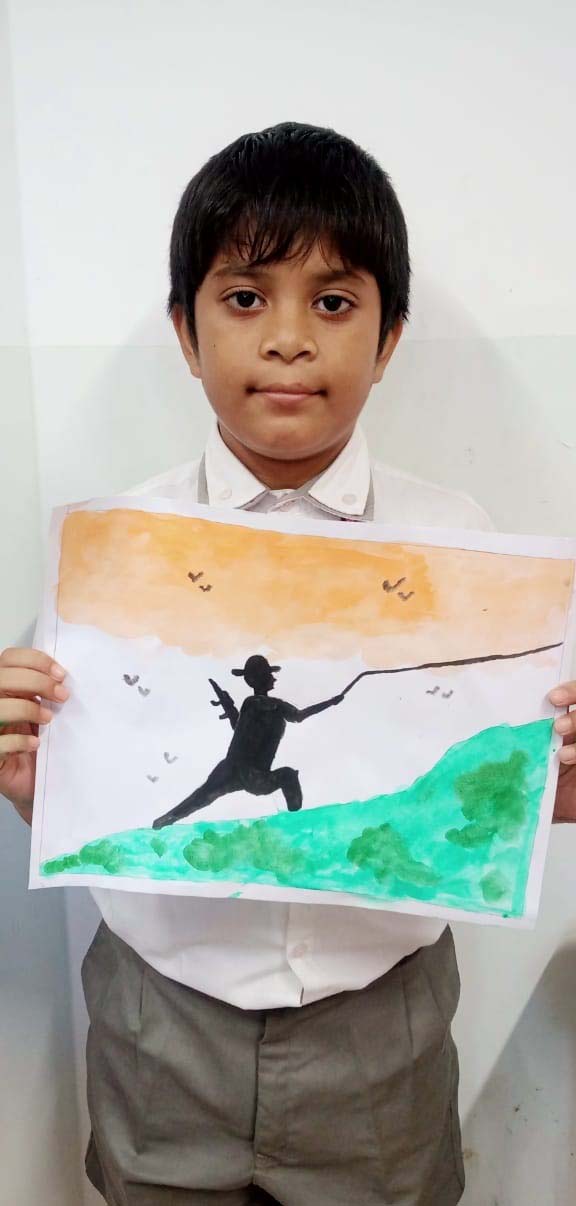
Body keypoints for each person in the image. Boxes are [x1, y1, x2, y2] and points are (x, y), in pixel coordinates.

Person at [1, 121, 575, 1206]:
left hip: (382, 1032)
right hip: (159, 1017)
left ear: (389, 338)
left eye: (335, 302)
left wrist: (545, 786)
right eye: (244, 297)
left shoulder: (461, 547)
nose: (289, 340)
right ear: (187, 331)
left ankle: (300, 817)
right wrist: (35, 785)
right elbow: (86, 785)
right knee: (204, 798)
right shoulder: (114, 554)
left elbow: (480, 769)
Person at [153, 654, 345, 828]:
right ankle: (296, 825)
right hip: (254, 776)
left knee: (201, 797)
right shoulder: (267, 704)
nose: (274, 678)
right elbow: (298, 716)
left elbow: (239, 728)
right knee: (288, 776)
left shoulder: (251, 706)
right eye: (269, 674)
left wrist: (228, 706)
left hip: (230, 768)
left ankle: (163, 821)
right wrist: (331, 702)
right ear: (261, 678)